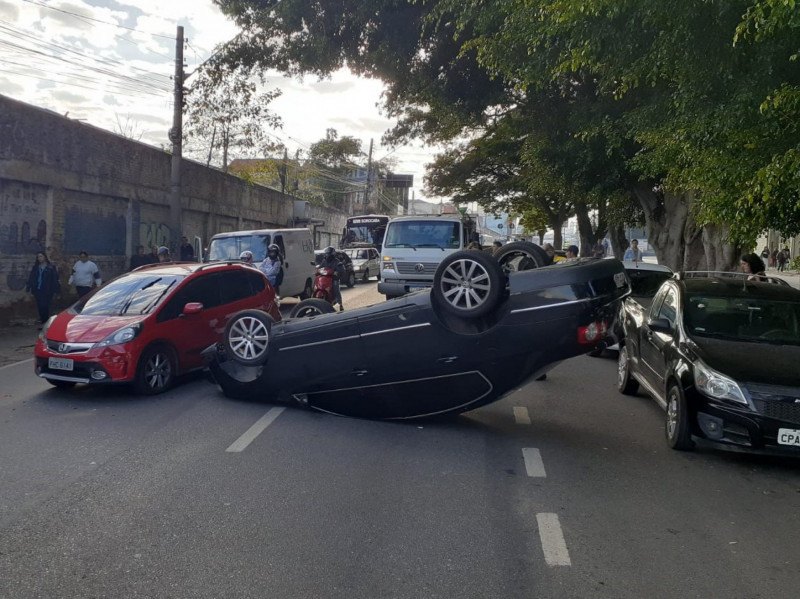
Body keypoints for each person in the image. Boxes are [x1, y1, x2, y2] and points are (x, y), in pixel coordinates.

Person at [26, 251, 61, 326]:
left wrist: (57, 291)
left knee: (45, 306)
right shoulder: (36, 267)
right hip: (37, 289)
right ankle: (43, 322)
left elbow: (55, 279)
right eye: (38, 257)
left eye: (41, 256)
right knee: (40, 306)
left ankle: (45, 322)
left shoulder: (50, 267)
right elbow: (31, 278)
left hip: (47, 290)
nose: (39, 258)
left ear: (45, 257)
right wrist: (28, 287)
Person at [317, 245, 344, 311]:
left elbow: (341, 269)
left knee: (336, 288)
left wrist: (337, 272)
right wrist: (317, 270)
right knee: (317, 284)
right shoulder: (324, 261)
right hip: (325, 277)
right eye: (326, 254)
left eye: (328, 254)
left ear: (332, 254)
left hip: (333, 278)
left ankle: (340, 303)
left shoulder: (336, 261)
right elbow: (321, 267)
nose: (327, 255)